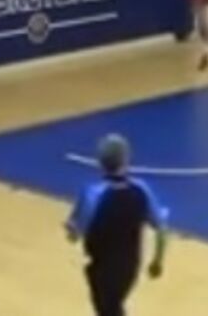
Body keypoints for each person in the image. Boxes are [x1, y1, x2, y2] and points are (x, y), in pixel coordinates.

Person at [65, 134, 169, 316]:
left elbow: (74, 235)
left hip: (101, 270)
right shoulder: (141, 190)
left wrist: (71, 229)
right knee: (113, 308)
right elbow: (161, 229)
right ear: (126, 159)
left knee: (108, 309)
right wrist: (157, 261)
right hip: (130, 268)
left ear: (99, 162)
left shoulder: (92, 195)